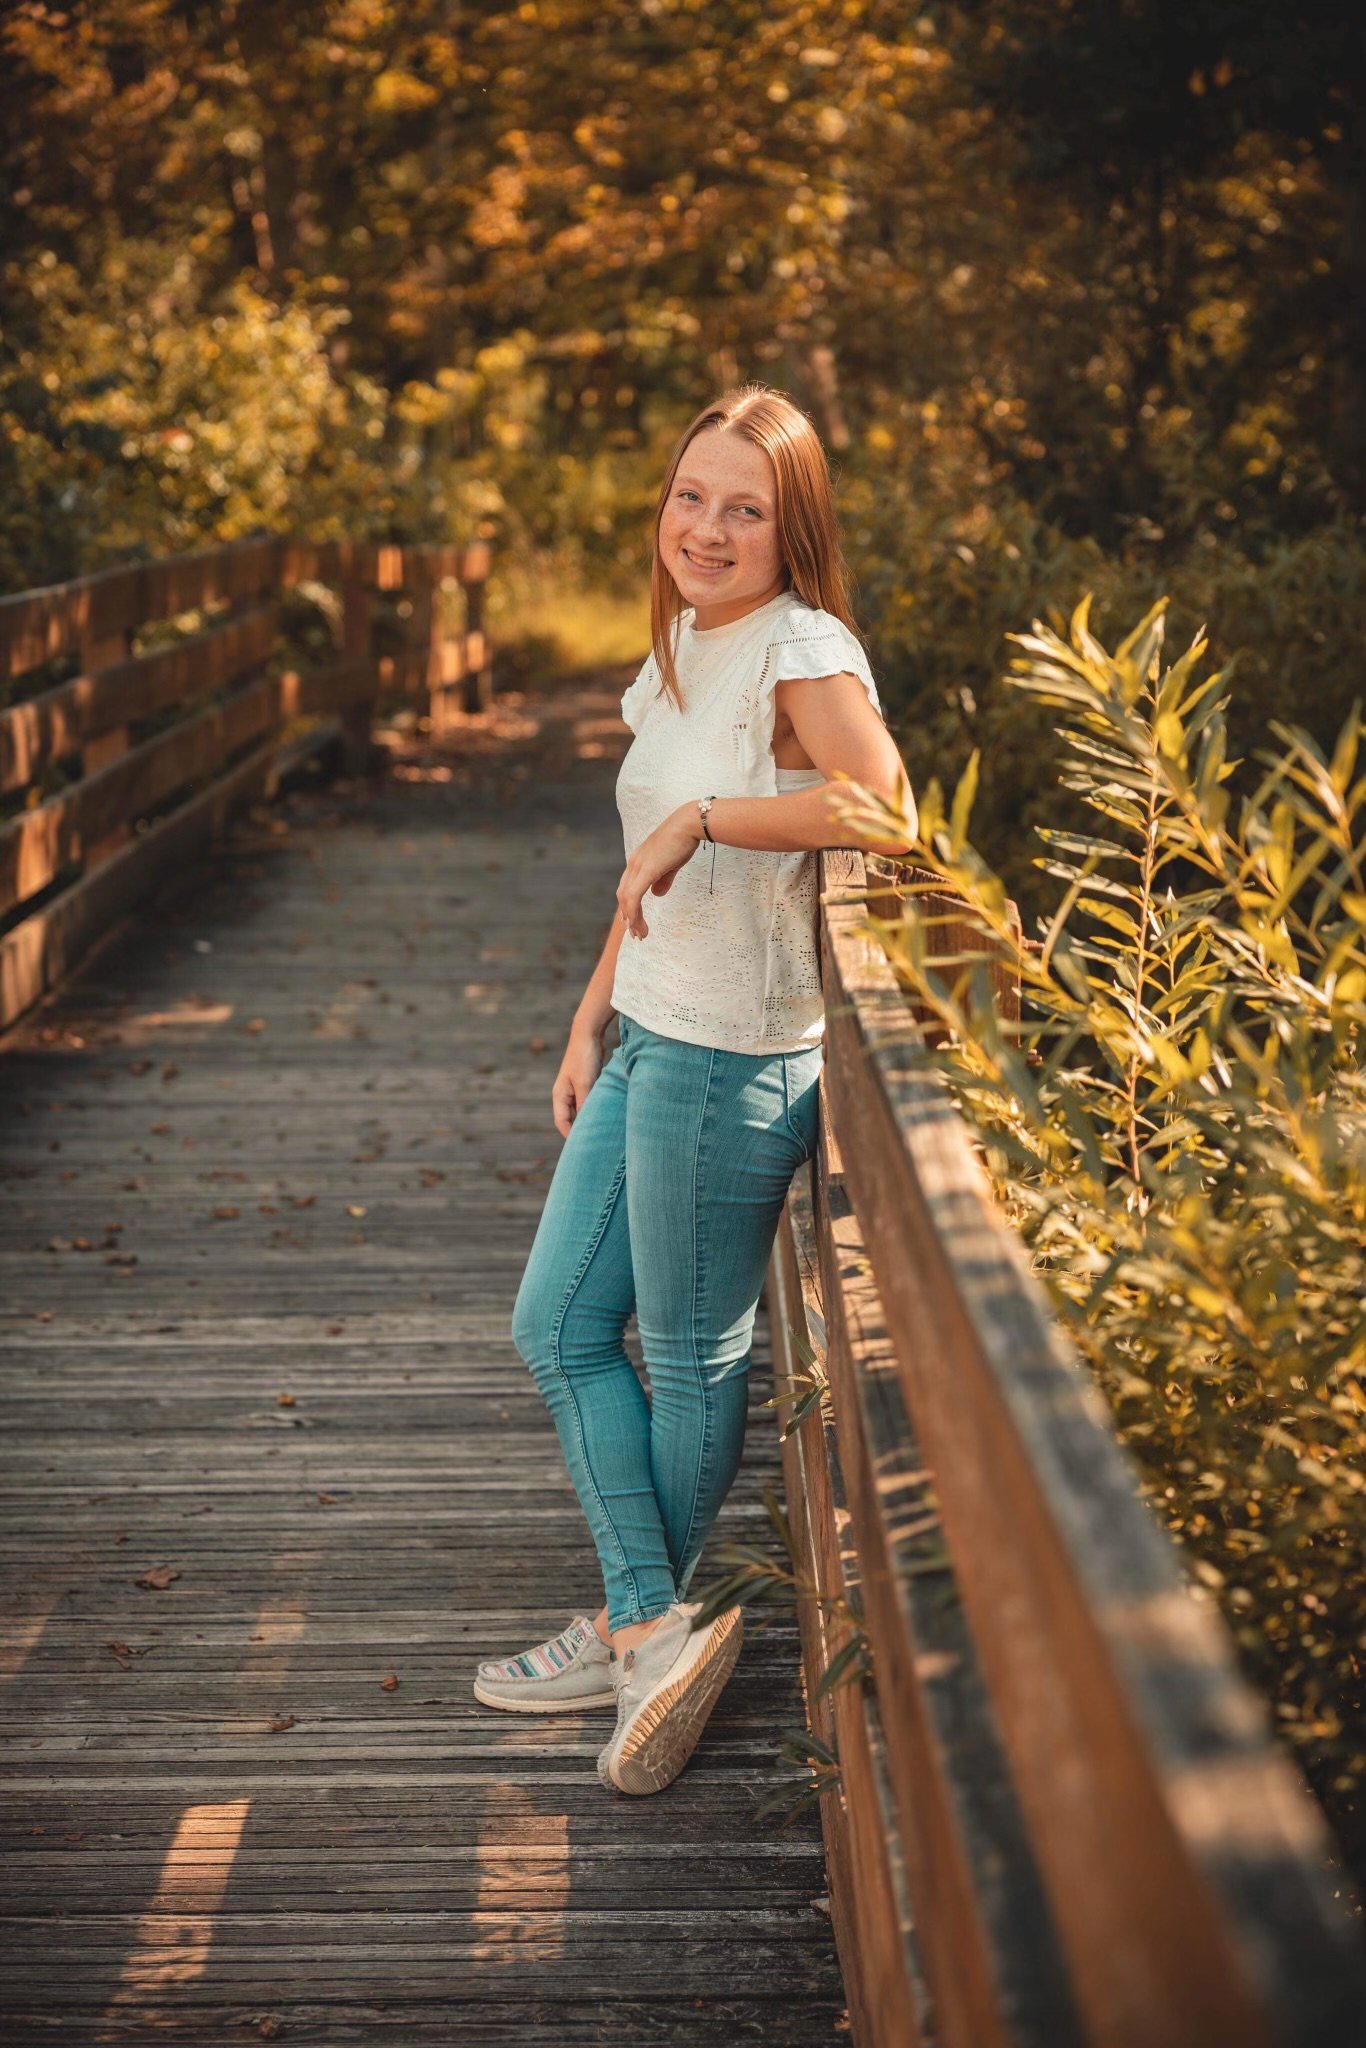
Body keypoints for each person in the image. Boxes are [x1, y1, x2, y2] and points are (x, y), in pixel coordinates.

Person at [473, 384, 917, 1796]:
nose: (707, 528)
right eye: (689, 496)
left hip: (733, 1059)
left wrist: (708, 815)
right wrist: (587, 1012)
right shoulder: (680, 650)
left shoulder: (799, 644)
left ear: (794, 531)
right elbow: (642, 864)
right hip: (653, 1033)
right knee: (552, 1324)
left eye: (746, 507)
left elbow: (880, 805)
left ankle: (638, 1626)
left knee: (684, 1354)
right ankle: (646, 1624)